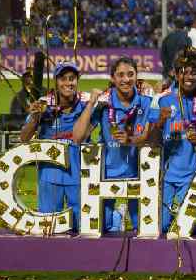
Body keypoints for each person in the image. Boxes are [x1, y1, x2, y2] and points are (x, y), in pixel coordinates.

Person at [73, 57, 152, 233]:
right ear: (113, 78)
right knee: (104, 227)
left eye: (130, 74)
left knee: (144, 228)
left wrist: (131, 140)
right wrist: (91, 103)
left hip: (138, 174)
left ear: (136, 76)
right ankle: (117, 216)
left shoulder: (146, 102)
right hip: (106, 175)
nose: (126, 79)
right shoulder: (103, 104)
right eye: (120, 75)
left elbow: (150, 136)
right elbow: (78, 138)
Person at [145, 48, 196, 234]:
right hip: (168, 176)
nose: (189, 77)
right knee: (160, 227)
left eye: (194, 73)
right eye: (184, 72)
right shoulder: (161, 100)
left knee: (185, 227)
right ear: (176, 74)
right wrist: (160, 122)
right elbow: (152, 142)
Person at [19, 61, 88, 232]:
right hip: (50, 176)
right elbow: (24, 138)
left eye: (72, 79)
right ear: (56, 81)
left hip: (78, 175)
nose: (68, 83)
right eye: (63, 79)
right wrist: (35, 117)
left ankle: (115, 216)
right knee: (49, 228)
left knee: (82, 227)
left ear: (77, 80)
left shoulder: (86, 104)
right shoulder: (43, 104)